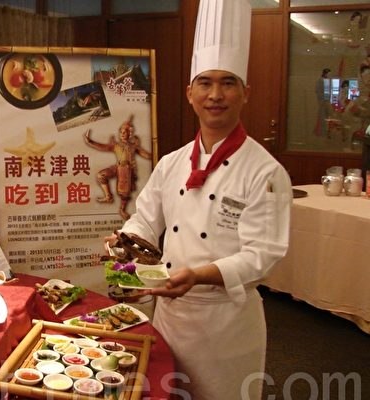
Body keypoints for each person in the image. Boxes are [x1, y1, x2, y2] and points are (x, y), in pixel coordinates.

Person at [104, 0, 292, 398]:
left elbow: (263, 255)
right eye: (205, 83)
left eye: (228, 83)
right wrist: (125, 242)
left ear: (245, 93)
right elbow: (144, 219)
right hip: (170, 316)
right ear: (190, 93)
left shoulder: (265, 171)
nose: (215, 95)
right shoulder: (172, 163)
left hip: (226, 323)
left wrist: (199, 276)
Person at [83, 115, 152, 220]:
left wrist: (157, 151)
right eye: (121, 132)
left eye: (125, 132)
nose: (122, 134)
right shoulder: (116, 145)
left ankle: (122, 209)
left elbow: (147, 155)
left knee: (125, 192)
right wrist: (90, 142)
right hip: (118, 167)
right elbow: (102, 147)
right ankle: (108, 196)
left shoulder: (134, 146)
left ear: (129, 134)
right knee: (101, 175)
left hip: (128, 170)